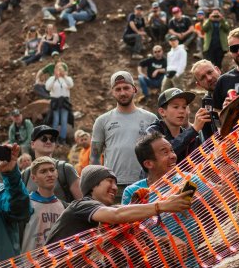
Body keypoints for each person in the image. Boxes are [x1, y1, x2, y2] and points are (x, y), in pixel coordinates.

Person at [46, 165, 191, 243]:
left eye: (116, 183)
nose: (115, 188)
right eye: (109, 181)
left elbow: (121, 214)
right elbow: (117, 214)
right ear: (92, 185)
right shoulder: (81, 206)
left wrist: (163, 241)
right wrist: (162, 206)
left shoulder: (102, 215)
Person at [91, 72, 158, 200]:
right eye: (118, 89)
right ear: (112, 92)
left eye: (126, 88)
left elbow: (158, 152)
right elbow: (94, 156)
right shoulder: (102, 121)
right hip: (114, 186)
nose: (122, 93)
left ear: (134, 89)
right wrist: (97, 184)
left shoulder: (150, 118)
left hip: (145, 183)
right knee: (115, 220)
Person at [21, 126, 81, 202]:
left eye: (52, 139)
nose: (48, 141)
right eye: (44, 138)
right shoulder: (25, 174)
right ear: (32, 144)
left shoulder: (65, 169)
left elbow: (83, 203)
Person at [146, 88, 207, 161]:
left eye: (184, 107)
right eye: (176, 107)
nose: (181, 111)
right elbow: (165, 154)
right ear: (162, 112)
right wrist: (193, 130)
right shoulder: (153, 132)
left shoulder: (192, 137)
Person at [20, 157, 66, 254]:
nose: (49, 174)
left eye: (52, 170)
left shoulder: (65, 207)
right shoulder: (25, 204)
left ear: (57, 173)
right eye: (43, 171)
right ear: (33, 178)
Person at [45, 64, 74, 143]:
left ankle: (63, 138)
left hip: (65, 101)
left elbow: (71, 85)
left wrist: (64, 76)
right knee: (56, 120)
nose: (60, 72)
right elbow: (47, 87)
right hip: (56, 101)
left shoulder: (67, 78)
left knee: (64, 120)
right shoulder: (52, 78)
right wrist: (55, 78)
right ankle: (54, 138)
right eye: (58, 70)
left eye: (61, 70)